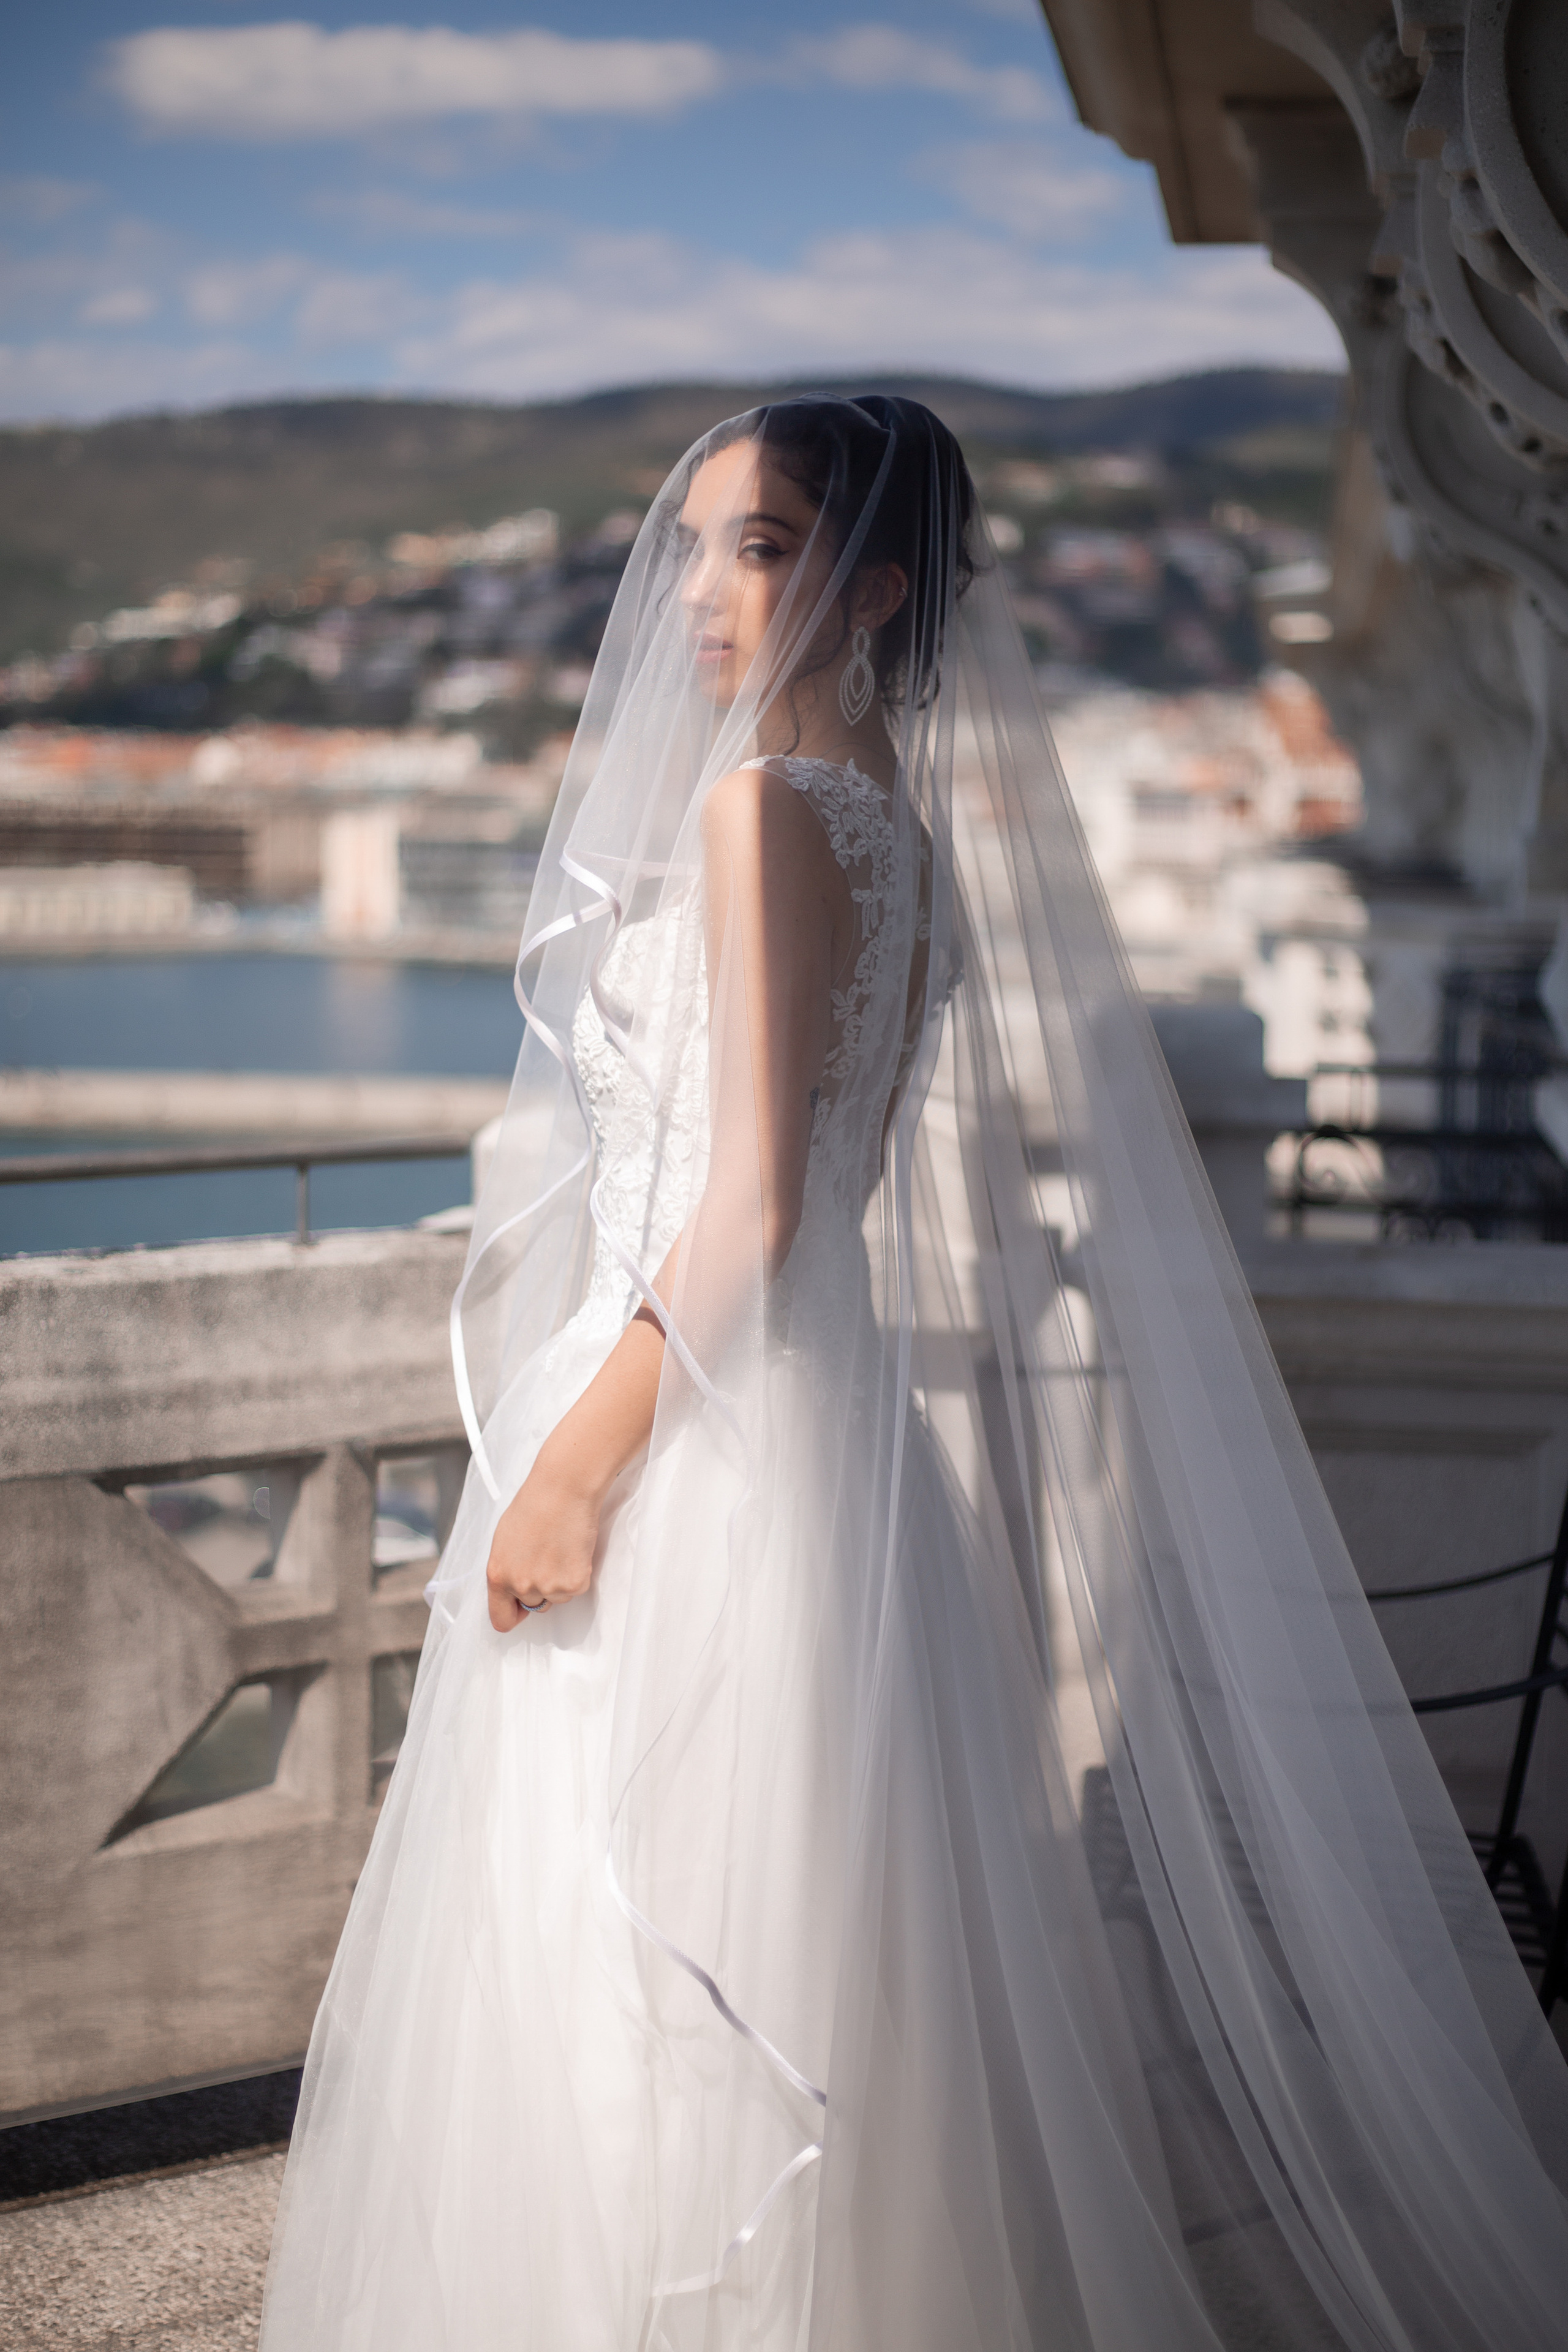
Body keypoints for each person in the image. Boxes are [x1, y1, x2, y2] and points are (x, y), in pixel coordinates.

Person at [262, 398, 1568, 2351]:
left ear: (872, 587)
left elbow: (761, 1202)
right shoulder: (901, 827)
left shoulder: (764, 813)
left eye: (762, 548)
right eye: (696, 542)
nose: (702, 591)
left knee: (640, 1949)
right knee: (818, 1939)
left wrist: (577, 1468)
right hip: (822, 1424)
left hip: (695, 1429)